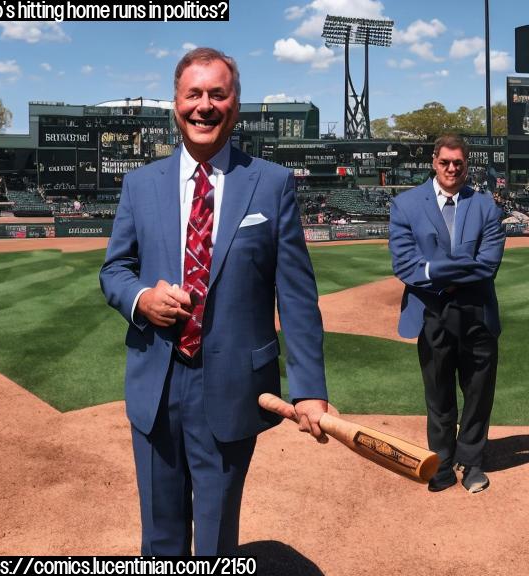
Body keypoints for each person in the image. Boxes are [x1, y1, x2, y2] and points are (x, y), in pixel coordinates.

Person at [100, 47, 328, 555]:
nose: (205, 105)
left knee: (216, 537)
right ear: (176, 104)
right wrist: (141, 299)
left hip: (231, 386)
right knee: (159, 535)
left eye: (217, 95)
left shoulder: (271, 184)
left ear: (235, 106)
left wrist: (309, 388)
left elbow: (296, 294)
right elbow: (114, 270)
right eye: (194, 94)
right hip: (156, 384)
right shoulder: (140, 185)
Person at [388, 134, 506, 493]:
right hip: (431, 310)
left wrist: (436, 269)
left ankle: (471, 462)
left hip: (477, 311)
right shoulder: (405, 204)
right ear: (434, 162)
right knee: (438, 393)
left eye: (459, 163)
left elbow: (487, 266)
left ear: (466, 164)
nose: (452, 169)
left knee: (478, 391)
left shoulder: (486, 206)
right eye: (445, 162)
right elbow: (404, 264)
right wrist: (453, 272)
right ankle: (440, 462)